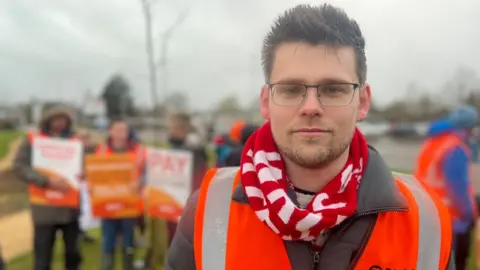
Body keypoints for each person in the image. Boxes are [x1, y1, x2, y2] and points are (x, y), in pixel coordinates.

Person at [165, 4, 454, 269]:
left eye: (333, 89)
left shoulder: (426, 221)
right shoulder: (207, 212)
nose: (311, 107)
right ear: (266, 101)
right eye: (291, 89)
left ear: (363, 102)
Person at [13, 106, 81, 270]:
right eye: (56, 119)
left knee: (73, 256)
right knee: (42, 258)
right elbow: (19, 166)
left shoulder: (75, 142)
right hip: (44, 209)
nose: (60, 123)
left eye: (63, 119)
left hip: (70, 210)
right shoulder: (33, 140)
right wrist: (45, 181)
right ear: (48, 121)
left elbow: (85, 166)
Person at [415, 105, 478, 270]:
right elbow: (458, 189)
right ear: (469, 128)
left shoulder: (432, 142)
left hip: (427, 212)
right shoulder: (455, 148)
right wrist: (470, 215)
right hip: (452, 219)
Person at [145, 111, 209, 270]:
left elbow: (200, 174)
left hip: (187, 202)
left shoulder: (193, 149)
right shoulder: (175, 147)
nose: (171, 131)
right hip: (172, 202)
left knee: (185, 240)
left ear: (182, 128)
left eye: (174, 127)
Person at [95, 118, 145, 270]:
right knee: (107, 242)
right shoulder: (101, 151)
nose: (120, 134)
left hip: (130, 206)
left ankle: (128, 266)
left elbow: (147, 173)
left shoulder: (139, 151)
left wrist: (140, 182)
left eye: (123, 130)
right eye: (117, 130)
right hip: (107, 206)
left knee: (128, 243)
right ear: (110, 131)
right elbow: (95, 174)